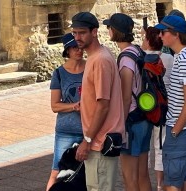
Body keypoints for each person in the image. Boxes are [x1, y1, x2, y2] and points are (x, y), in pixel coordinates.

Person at [70, 11, 125, 191]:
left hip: (100, 142)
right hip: (98, 140)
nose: (77, 37)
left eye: (82, 32)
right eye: (74, 33)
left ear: (94, 32)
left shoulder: (100, 59)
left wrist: (87, 140)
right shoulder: (97, 56)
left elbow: (103, 104)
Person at [155, 14, 186, 191]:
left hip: (183, 127)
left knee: (172, 184)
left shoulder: (184, 60)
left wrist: (175, 131)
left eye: (163, 32)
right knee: (185, 181)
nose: (160, 35)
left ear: (176, 34)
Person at [105, 13, 152, 191]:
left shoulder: (125, 58)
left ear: (116, 31)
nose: (108, 30)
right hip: (144, 117)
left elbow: (125, 96)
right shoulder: (138, 51)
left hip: (131, 121)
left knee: (129, 177)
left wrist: (120, 125)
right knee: (142, 175)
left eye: (110, 27)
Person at [46, 32, 84, 191]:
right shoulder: (59, 73)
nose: (78, 50)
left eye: (80, 47)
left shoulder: (91, 68)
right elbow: (55, 106)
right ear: (67, 51)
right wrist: (74, 106)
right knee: (57, 172)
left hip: (87, 131)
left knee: (85, 175)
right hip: (65, 131)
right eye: (74, 48)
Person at [144, 26, 173, 191]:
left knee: (145, 148)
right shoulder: (169, 58)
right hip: (163, 107)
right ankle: (160, 184)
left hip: (146, 107)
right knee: (160, 146)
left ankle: (144, 179)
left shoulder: (142, 59)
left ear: (148, 41)